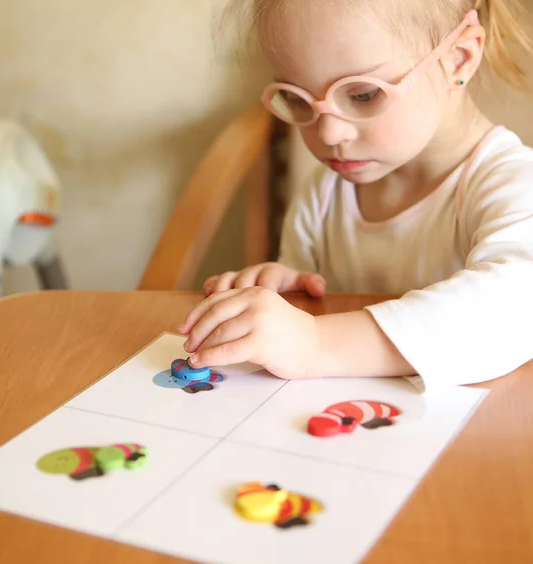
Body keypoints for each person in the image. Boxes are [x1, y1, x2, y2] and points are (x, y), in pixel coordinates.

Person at [178, 0, 533, 392]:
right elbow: (312, 310)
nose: (328, 135)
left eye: (363, 95)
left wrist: (315, 342)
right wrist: (289, 289)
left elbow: (518, 306)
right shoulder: (324, 195)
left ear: (459, 59)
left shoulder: (511, 182)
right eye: (297, 99)